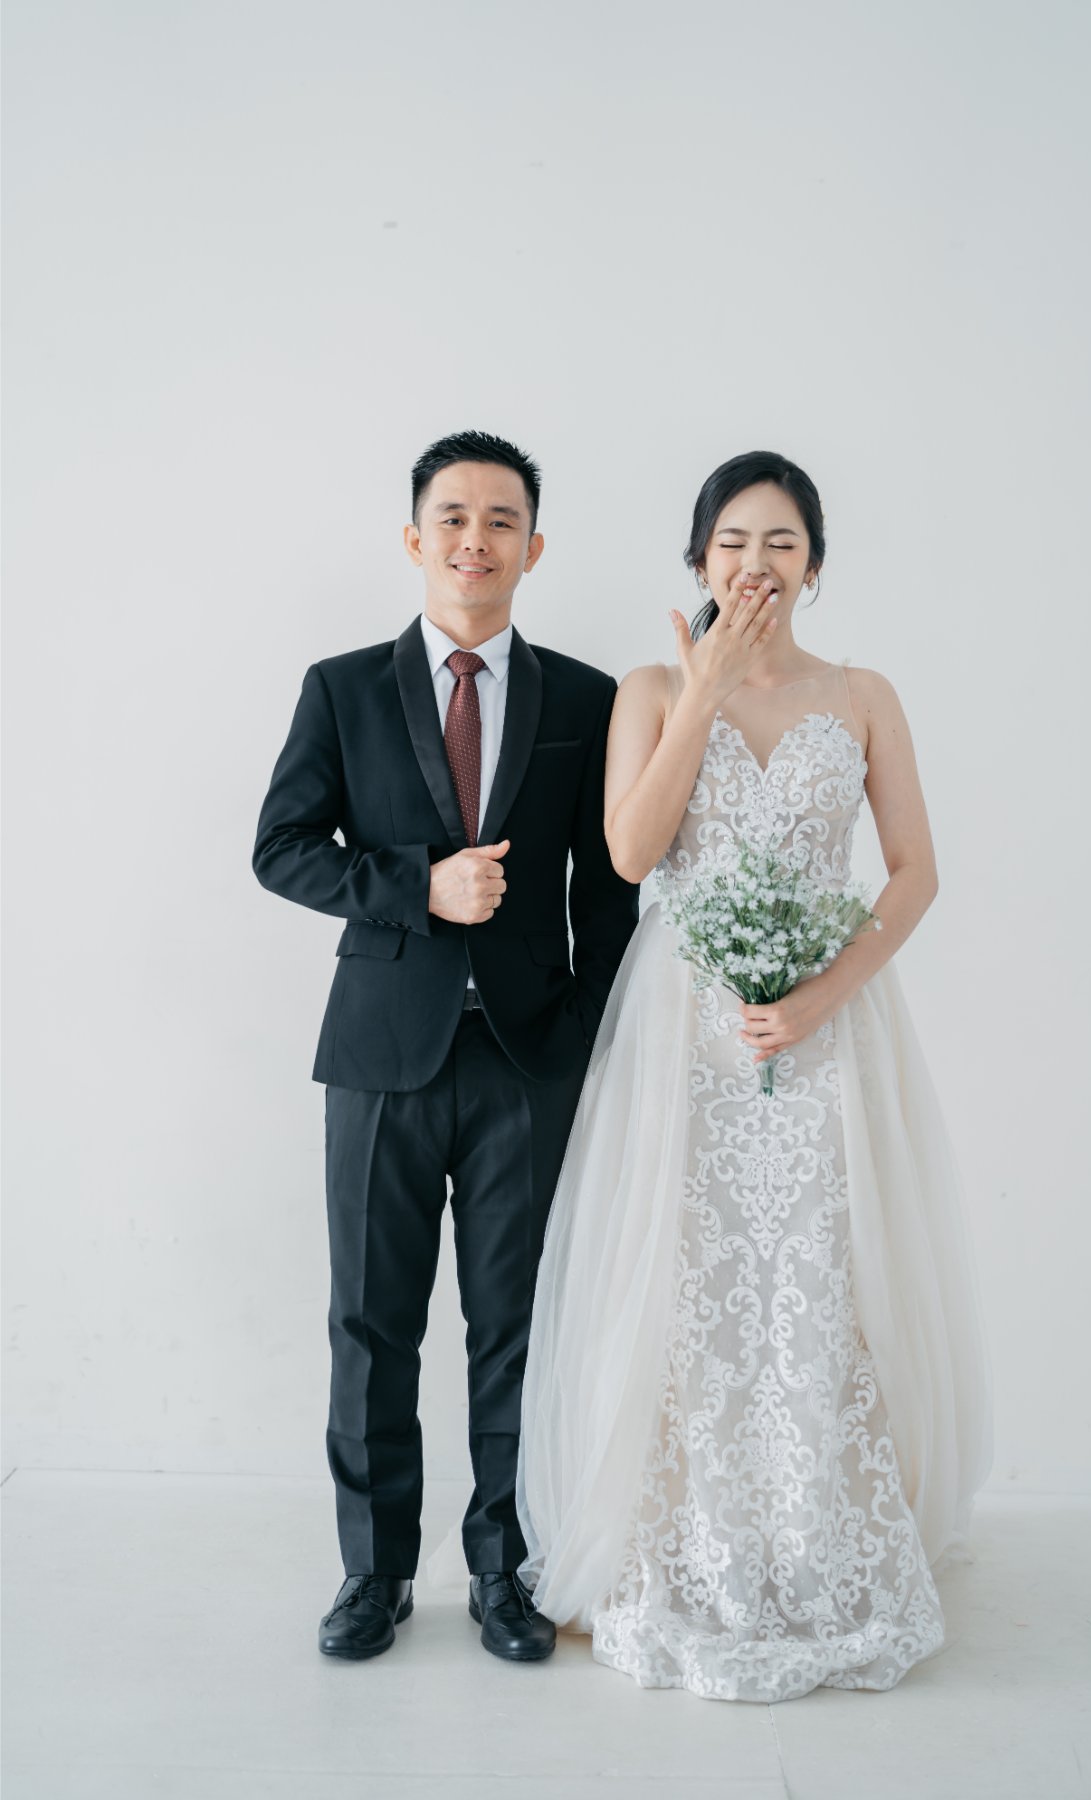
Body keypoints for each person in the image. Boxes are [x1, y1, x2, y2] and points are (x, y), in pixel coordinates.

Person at [516, 450, 992, 1701]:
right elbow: (630, 854)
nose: (755, 563)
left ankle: (815, 1543)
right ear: (698, 559)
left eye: (781, 542)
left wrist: (823, 996)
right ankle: (696, 1546)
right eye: (733, 541)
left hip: (827, 1035)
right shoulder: (649, 686)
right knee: (688, 1280)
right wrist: (704, 692)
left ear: (815, 564)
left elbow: (913, 873)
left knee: (820, 1276)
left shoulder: (864, 695)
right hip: (684, 1034)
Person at [253, 430, 639, 1663]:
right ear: (415, 538)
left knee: (518, 1327)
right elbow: (281, 848)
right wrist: (416, 885)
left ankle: (504, 1571)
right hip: (380, 1056)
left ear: (535, 546)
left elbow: (612, 889)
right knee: (372, 1325)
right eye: (454, 518)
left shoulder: (585, 698)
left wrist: (582, 1029)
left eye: (501, 520)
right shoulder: (342, 688)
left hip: (528, 1062)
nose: (477, 540)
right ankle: (373, 1576)